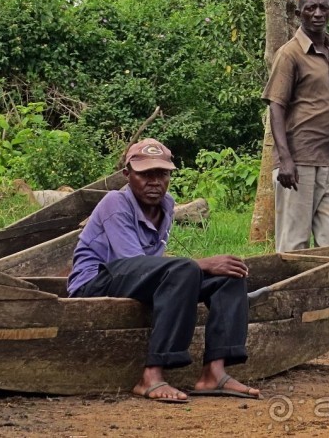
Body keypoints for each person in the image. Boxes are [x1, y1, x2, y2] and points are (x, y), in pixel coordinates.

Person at [67, 139, 261, 403]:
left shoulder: (166, 205)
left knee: (229, 275)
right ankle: (151, 375)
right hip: (95, 283)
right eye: (145, 174)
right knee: (186, 268)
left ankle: (213, 373)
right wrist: (199, 264)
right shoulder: (115, 202)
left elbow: (152, 269)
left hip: (139, 280)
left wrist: (198, 269)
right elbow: (133, 262)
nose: (154, 181)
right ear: (127, 175)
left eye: (161, 173)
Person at [262, 0, 329, 252]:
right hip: (299, 159)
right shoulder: (290, 53)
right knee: (294, 244)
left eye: (323, 8)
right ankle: (290, 294)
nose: (317, 14)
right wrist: (284, 159)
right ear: (299, 14)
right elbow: (276, 106)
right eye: (310, 8)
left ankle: (327, 294)